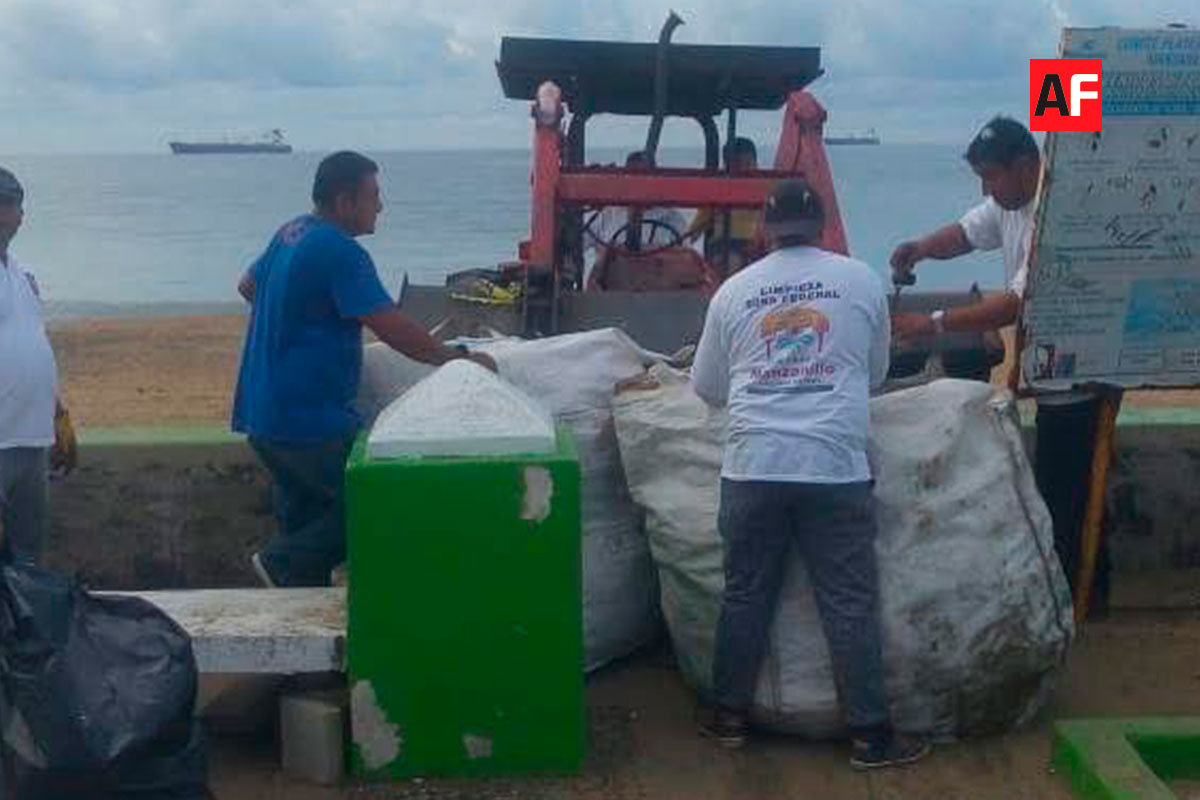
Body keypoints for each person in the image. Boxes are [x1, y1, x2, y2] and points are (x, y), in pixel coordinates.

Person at [691, 179, 928, 769]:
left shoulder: (733, 292)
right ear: (820, 226)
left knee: (745, 593)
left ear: (765, 230)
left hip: (752, 467)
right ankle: (870, 736)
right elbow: (874, 374)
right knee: (848, 601)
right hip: (833, 468)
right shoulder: (861, 280)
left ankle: (727, 717)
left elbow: (707, 388)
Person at [233, 151, 497, 588]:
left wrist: (299, 317)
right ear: (345, 201)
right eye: (373, 196)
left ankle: (293, 596)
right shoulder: (341, 252)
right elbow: (390, 325)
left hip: (261, 413)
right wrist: (454, 359)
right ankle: (281, 564)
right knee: (377, 501)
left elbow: (247, 286)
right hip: (308, 420)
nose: (381, 206)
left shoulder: (291, 233)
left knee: (308, 517)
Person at [889, 116, 1110, 613]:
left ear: (1027, 166)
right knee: (1064, 486)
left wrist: (933, 323)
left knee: (1066, 490)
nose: (987, 189)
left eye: (992, 176)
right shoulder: (1007, 203)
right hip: (1044, 370)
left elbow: (1015, 303)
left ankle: (1077, 597)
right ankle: (1086, 590)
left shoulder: (1056, 213)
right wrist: (921, 249)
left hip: (1077, 373)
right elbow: (966, 234)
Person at [0, 167, 77, 566]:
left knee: (28, 558)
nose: (4, 214)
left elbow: (33, 343)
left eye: (10, 205)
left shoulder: (23, 275)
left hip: (32, 438)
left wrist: (57, 412)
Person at [684, 137, 764, 277]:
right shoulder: (717, 192)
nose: (745, 169)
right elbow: (693, 233)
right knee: (732, 261)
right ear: (728, 166)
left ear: (756, 163)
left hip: (759, 247)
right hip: (725, 247)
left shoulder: (767, 189)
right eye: (739, 165)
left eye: (749, 163)